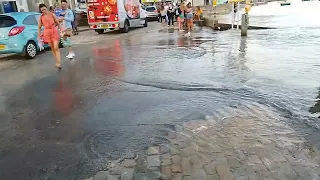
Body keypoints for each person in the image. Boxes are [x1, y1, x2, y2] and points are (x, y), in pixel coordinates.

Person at [38, 3, 62, 69]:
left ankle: (59, 63)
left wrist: (61, 29)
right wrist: (39, 36)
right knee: (52, 48)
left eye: (44, 9)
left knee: (56, 47)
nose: (44, 11)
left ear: (46, 8)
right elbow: (39, 27)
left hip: (54, 31)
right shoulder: (41, 17)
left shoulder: (51, 14)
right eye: (42, 10)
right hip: (47, 32)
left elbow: (57, 22)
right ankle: (57, 61)